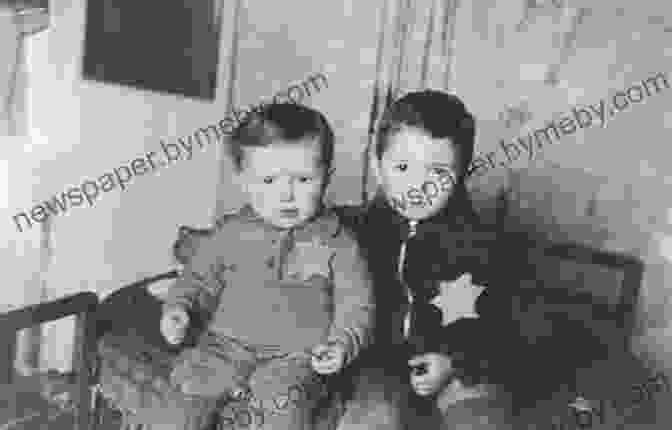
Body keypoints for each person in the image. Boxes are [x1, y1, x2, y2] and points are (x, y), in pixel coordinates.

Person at [160, 102, 375, 430]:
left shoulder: (338, 242)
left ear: (327, 178)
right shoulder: (231, 232)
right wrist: (179, 309)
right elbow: (199, 279)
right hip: (225, 346)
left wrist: (341, 342)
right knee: (188, 387)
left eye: (303, 179)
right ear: (243, 180)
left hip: (297, 357)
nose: (286, 195)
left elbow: (357, 304)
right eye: (269, 181)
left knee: (282, 403)